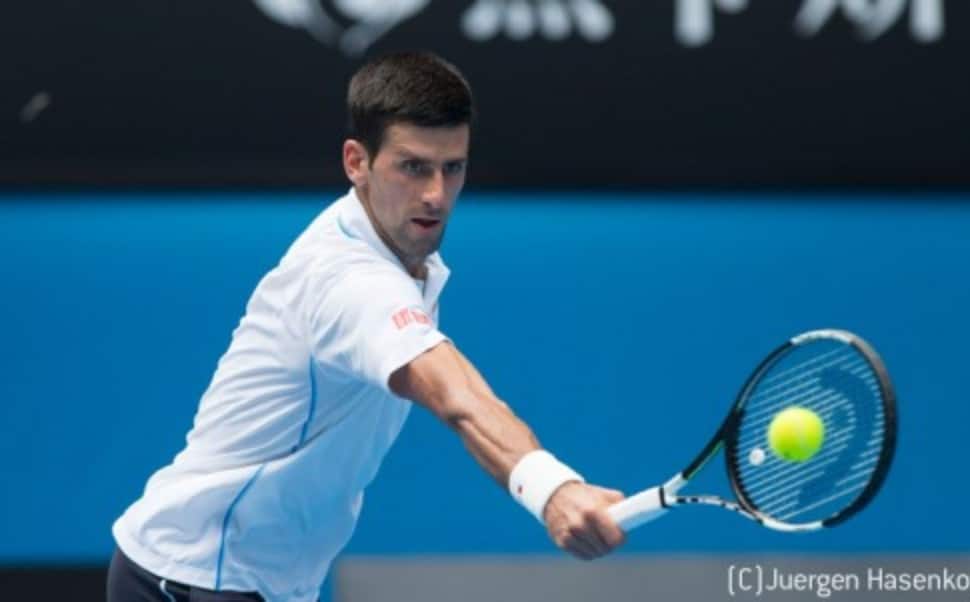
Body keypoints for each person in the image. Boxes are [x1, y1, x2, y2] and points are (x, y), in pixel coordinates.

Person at [107, 51, 625, 602]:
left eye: (454, 167)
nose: (436, 194)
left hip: (249, 580)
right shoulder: (350, 281)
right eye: (413, 166)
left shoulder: (400, 252)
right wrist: (550, 489)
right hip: (195, 578)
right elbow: (457, 396)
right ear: (356, 161)